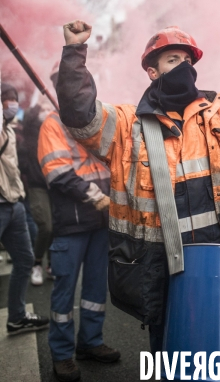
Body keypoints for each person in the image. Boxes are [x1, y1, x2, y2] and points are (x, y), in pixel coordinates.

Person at [55, 5, 220, 353]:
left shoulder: (218, 111)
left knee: (217, 343)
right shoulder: (128, 126)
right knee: (168, 345)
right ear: (151, 71)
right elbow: (79, 114)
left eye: (187, 59)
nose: (183, 66)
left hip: (215, 254)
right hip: (156, 261)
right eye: (173, 59)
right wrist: (74, 52)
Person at [38, 69, 120, 382]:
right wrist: (95, 196)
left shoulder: (98, 119)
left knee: (96, 287)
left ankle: (91, 342)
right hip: (71, 223)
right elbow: (57, 172)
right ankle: (62, 355)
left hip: (102, 221)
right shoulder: (52, 123)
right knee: (64, 291)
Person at [0, 81, 49, 335]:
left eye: (14, 98)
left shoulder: (9, 131)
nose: (12, 104)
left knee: (25, 259)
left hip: (14, 204)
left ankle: (17, 317)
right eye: (6, 99)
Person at [18, 98, 54, 285]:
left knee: (55, 227)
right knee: (45, 226)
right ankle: (37, 263)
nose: (47, 111)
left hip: (55, 185)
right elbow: (29, 119)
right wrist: (38, 105)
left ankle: (51, 265)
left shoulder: (54, 132)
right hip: (37, 185)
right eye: (44, 108)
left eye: (50, 107)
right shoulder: (32, 133)